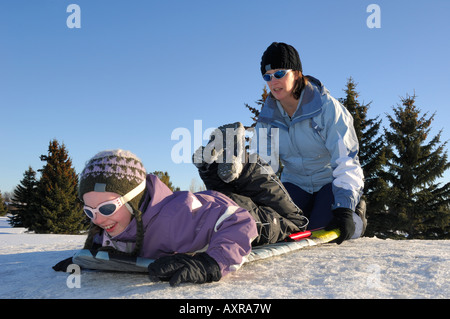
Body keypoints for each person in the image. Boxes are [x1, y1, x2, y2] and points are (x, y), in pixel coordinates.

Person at [53, 148, 306, 286]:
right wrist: (90, 256)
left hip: (247, 216)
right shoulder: (115, 223)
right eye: (89, 211)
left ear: (134, 200)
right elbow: (109, 239)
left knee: (295, 222)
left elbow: (240, 221)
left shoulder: (176, 217)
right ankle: (213, 168)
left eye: (106, 208)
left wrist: (211, 263)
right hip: (213, 202)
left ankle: (250, 164)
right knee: (224, 193)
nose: (97, 219)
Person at [250, 42, 367, 244]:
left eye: (279, 74)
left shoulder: (326, 107)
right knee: (281, 230)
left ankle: (356, 212)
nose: (273, 81)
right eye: (267, 77)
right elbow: (264, 166)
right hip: (294, 183)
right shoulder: (267, 119)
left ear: (296, 73)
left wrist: (344, 206)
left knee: (321, 231)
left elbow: (345, 159)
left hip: (328, 182)